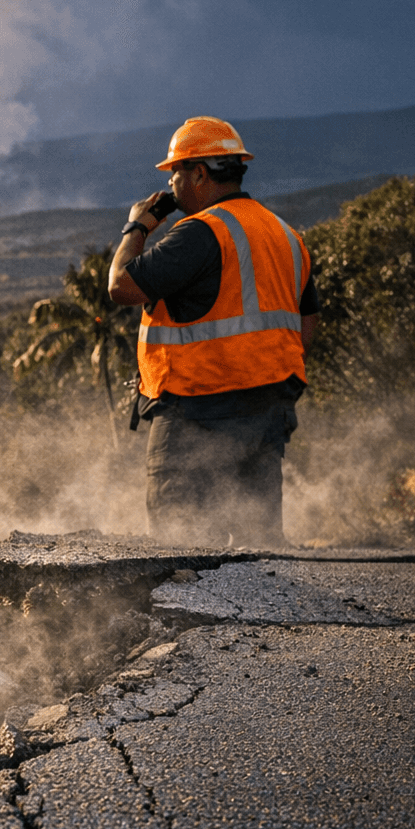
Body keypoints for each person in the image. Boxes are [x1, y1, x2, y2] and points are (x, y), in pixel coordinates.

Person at [107, 116, 319, 547]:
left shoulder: (202, 232)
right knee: (260, 549)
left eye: (175, 174)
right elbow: (306, 321)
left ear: (199, 173)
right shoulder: (285, 233)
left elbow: (121, 286)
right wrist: (256, 370)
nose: (171, 187)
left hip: (194, 417)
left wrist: (138, 227)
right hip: (266, 412)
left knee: (180, 551)